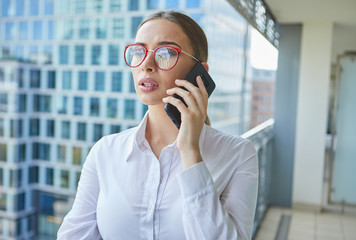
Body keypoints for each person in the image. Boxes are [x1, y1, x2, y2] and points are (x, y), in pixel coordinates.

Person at [57, 10, 258, 240]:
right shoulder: (105, 152)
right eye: (138, 51)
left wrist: (190, 152)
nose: (147, 64)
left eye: (165, 52)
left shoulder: (239, 155)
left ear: (200, 73)